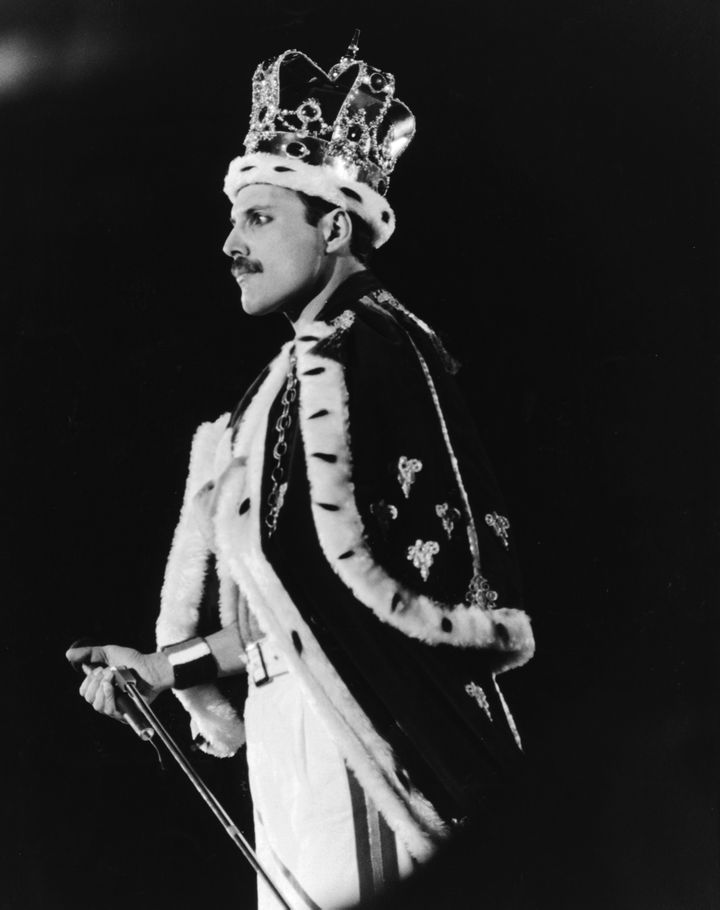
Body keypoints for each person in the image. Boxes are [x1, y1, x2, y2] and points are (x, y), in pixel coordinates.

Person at [67, 36, 535, 910]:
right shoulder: (274, 388)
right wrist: (165, 669)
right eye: (234, 218)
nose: (229, 243)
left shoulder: (383, 354)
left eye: (259, 218)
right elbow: (289, 620)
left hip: (370, 748)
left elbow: (430, 606)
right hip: (292, 757)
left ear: (334, 225)